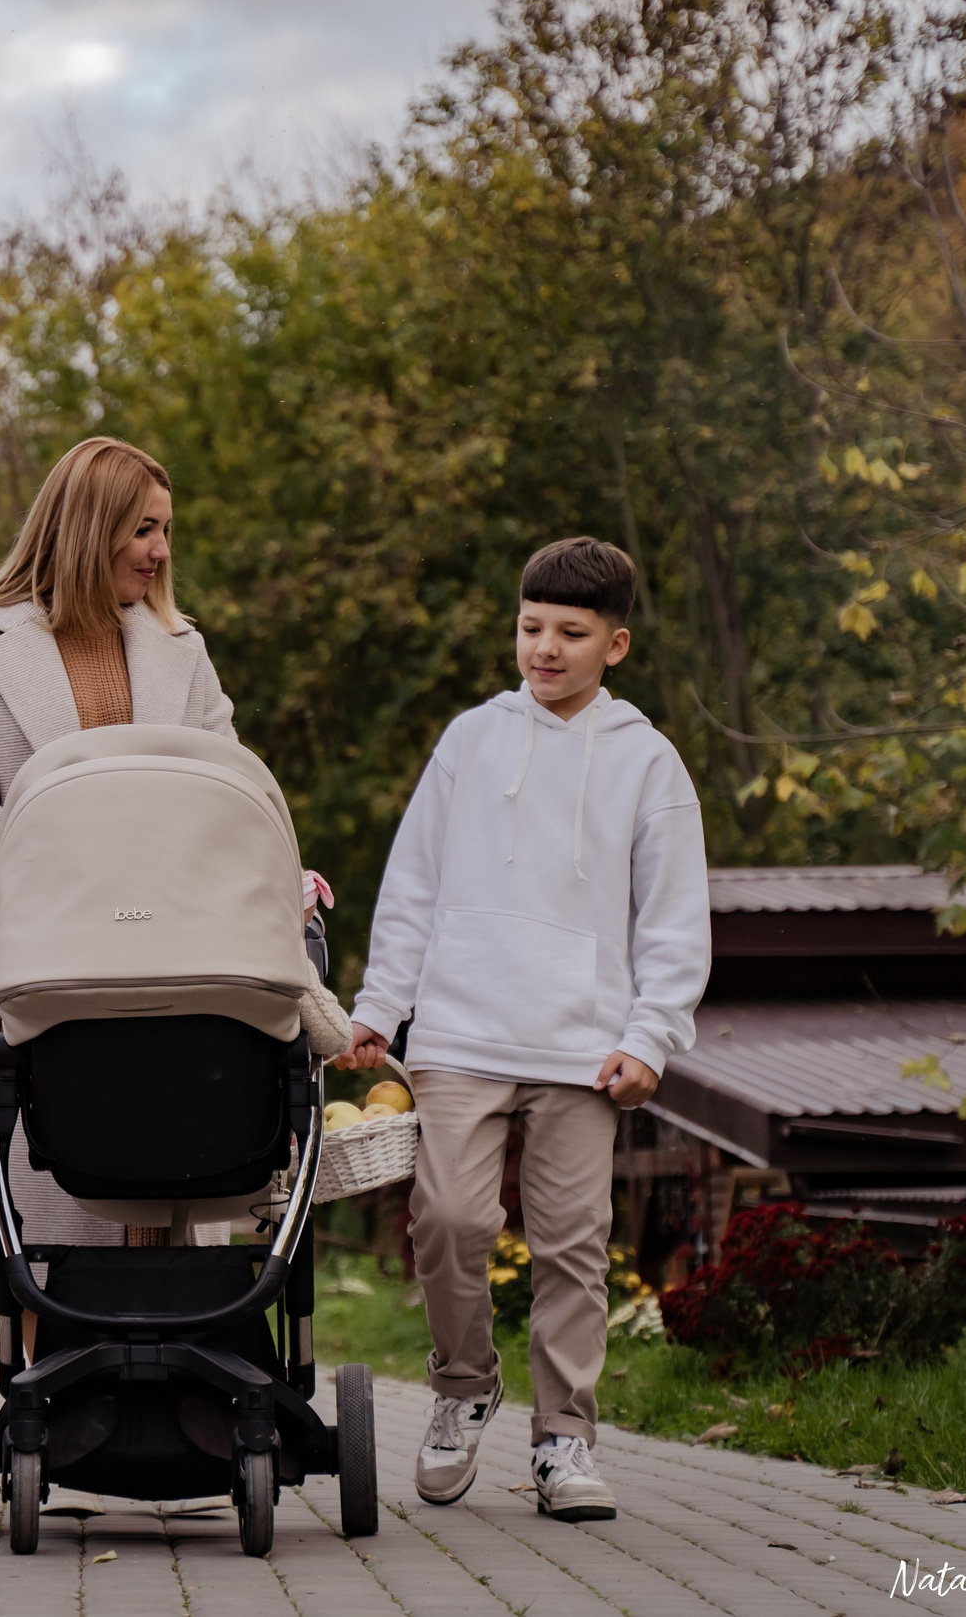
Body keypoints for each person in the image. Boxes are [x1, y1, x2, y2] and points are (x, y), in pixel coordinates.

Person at [338, 536, 710, 1525]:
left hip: (583, 1048)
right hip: (460, 1031)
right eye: (530, 626)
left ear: (615, 645)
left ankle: (563, 1438)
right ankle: (463, 1386)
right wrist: (379, 1007)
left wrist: (651, 1037)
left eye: (570, 633)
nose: (544, 648)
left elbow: (674, 917)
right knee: (447, 1221)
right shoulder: (471, 739)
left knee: (573, 1245)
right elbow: (412, 883)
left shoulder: (647, 762)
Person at [0, 436, 246, 1297]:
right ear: (89, 527)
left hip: (161, 947)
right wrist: (57, 894)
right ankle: (35, 1356)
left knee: (154, 1153)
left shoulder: (181, 648)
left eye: (165, 529)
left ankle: (156, 1343)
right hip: (30, 945)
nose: (161, 550)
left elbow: (227, 784)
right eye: (143, 529)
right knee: (31, 1203)